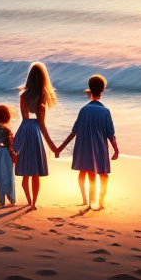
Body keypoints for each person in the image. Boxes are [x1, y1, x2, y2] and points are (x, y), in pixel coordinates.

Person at [56, 74, 119, 212]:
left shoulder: (84, 110)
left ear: (90, 89)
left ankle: (88, 201)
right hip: (101, 149)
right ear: (102, 91)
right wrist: (116, 150)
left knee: (89, 174)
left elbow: (74, 131)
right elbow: (110, 134)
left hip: (85, 148)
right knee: (103, 175)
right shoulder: (105, 111)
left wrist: (59, 148)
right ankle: (101, 202)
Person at [12, 62, 59, 210]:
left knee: (26, 171)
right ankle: (33, 203)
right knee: (35, 173)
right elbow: (42, 124)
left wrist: (15, 141)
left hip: (25, 130)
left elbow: (25, 118)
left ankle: (28, 200)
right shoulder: (42, 98)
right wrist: (52, 145)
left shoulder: (23, 96)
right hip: (36, 133)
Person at [0, 104, 17, 208]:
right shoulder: (7, 131)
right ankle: (10, 198)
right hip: (5, 155)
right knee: (7, 177)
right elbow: (10, 146)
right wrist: (14, 156)